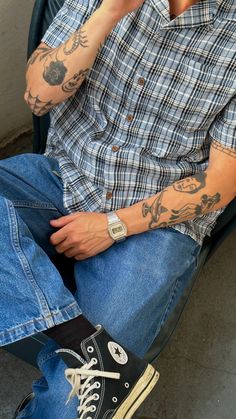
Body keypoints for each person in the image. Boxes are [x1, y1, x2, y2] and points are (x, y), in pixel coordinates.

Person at [0, 0, 235, 417]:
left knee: (78, 402)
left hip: (155, 224)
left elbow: (220, 183)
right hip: (63, 174)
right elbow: (38, 97)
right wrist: (109, 12)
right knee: (105, 376)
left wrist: (111, 226)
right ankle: (81, 341)